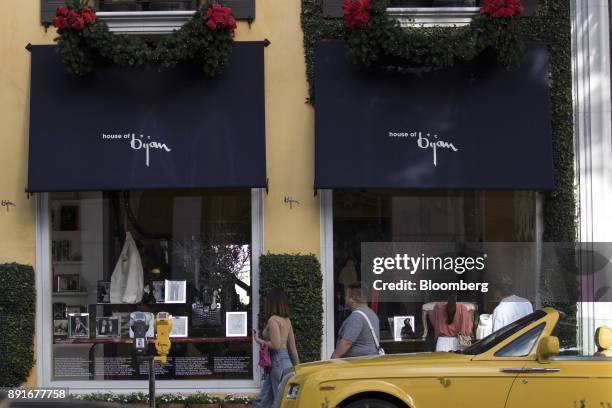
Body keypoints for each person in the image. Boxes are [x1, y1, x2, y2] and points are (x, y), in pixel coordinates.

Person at [252, 288, 299, 408]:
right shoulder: (287, 320)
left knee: (281, 401)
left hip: (277, 362)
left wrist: (258, 340)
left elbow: (276, 345)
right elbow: (292, 348)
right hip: (286, 362)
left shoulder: (273, 320)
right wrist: (298, 367)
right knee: (264, 398)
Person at [331, 282, 380, 358]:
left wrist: (334, 357)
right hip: (368, 361)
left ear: (352, 298)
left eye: (346, 296)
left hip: (357, 364)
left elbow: (346, 342)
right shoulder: (372, 314)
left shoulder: (357, 316)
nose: (344, 298)